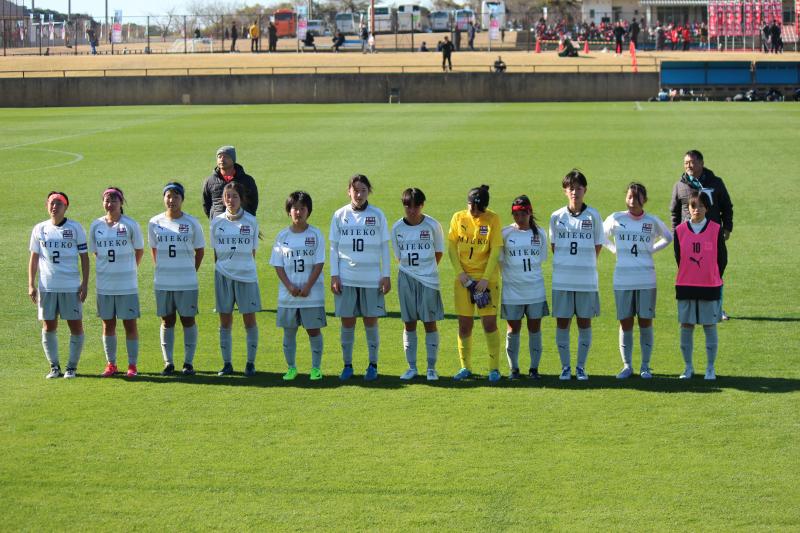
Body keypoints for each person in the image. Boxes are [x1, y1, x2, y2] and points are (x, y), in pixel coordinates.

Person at [603, 183, 672, 379]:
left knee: (645, 322)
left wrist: (651, 250)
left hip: (646, 279)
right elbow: (600, 236)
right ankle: (627, 366)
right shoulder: (616, 218)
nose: (633, 201)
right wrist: (614, 249)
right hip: (623, 279)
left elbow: (668, 237)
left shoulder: (651, 221)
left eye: (637, 197)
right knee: (625, 322)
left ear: (645, 200)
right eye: (630, 196)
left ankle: (645, 366)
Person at [329, 174, 391, 381]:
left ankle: (373, 365)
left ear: (368, 192)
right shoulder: (339, 215)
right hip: (346, 278)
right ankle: (347, 366)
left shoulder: (378, 215)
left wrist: (386, 275)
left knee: (370, 322)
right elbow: (333, 247)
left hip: (371, 279)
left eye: (363, 190)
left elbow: (384, 247)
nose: (359, 194)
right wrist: (334, 275)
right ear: (349, 191)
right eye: (355, 190)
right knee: (347, 323)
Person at [549, 170, 604, 381]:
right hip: (562, 280)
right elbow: (554, 246)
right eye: (571, 188)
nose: (575, 192)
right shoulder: (556, 216)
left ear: (585, 190)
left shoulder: (593, 216)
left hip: (586, 281)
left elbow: (597, 246)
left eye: (578, 188)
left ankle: (580, 367)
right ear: (565, 191)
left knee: (584, 323)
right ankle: (565, 367)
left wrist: (584, 263)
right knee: (562, 323)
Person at [28, 191, 89, 379]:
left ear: (66, 207)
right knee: (48, 327)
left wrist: (85, 283)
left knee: (76, 327)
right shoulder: (39, 229)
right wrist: (31, 284)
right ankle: (54, 367)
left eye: (58, 203)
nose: (54, 206)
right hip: (47, 287)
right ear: (47, 205)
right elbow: (34, 258)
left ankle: (72, 367)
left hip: (70, 286)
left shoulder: (75, 228)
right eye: (51, 203)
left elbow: (84, 258)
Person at [448, 185, 504, 382]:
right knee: (464, 325)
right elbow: (451, 246)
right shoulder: (458, 218)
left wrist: (486, 278)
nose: (474, 212)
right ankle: (465, 367)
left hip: (486, 281)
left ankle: (494, 369)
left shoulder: (493, 219)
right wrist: (460, 274)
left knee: (489, 324)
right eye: (471, 206)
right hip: (463, 280)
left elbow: (495, 250)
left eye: (478, 209)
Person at [148, 182, 205, 376]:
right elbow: (154, 250)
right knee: (167, 320)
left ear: (182, 199)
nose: (171, 200)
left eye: (176, 196)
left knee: (188, 320)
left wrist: (191, 271)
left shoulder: (192, 223)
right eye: (168, 196)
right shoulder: (154, 222)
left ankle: (188, 363)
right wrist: (162, 269)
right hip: (163, 281)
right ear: (163, 198)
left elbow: (200, 251)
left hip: (187, 281)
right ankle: (169, 362)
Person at [669, 150, 733, 319]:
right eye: (686, 163)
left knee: (716, 270)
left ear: (701, 163)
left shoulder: (715, 182)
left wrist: (727, 228)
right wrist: (676, 233)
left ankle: (717, 307)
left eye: (692, 162)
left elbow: (726, 206)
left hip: (711, 236)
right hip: (688, 239)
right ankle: (694, 307)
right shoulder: (680, 185)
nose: (688, 166)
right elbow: (674, 212)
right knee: (690, 272)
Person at [89, 187, 144, 378]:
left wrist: (129, 268)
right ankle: (111, 364)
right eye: (107, 200)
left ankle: (132, 365)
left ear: (121, 203)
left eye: (114, 200)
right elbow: (96, 252)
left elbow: (139, 250)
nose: (110, 204)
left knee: (130, 325)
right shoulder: (96, 225)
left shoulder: (130, 224)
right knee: (108, 325)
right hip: (104, 285)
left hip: (126, 285)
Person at [271, 191, 326, 381]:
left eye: (303, 208)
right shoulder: (282, 236)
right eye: (295, 208)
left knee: (313, 331)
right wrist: (289, 286)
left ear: (308, 211)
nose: (298, 212)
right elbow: (278, 265)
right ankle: (291, 368)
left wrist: (308, 286)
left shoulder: (316, 234)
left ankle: (316, 368)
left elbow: (319, 263)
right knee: (289, 332)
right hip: (288, 296)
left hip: (312, 295)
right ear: (289, 211)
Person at [391, 188, 445, 381]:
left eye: (416, 206)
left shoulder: (432, 225)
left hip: (428, 279)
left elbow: (438, 252)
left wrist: (425, 270)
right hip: (406, 278)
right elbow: (398, 256)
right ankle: (412, 367)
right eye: (408, 206)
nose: (412, 210)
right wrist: (412, 271)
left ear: (422, 205)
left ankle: (431, 368)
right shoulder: (397, 228)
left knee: (430, 322)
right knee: (409, 323)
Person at [674, 191, 727, 380]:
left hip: (709, 287)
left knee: (709, 326)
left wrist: (711, 275)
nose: (697, 209)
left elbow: (722, 258)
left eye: (701, 206)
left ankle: (710, 368)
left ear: (707, 208)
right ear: (688, 208)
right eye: (693, 206)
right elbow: (679, 258)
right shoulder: (680, 230)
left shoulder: (716, 229)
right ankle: (688, 368)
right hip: (686, 286)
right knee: (686, 326)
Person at [211, 182, 261, 377]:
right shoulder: (216, 222)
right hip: (223, 275)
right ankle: (227, 364)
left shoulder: (251, 221)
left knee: (249, 321)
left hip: (246, 276)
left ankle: (250, 363)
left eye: (234, 196)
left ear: (241, 199)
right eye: (227, 196)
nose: (230, 200)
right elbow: (216, 252)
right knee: (225, 322)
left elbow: (252, 252)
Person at [500, 195, 549, 380]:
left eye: (522, 214)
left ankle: (534, 369)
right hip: (512, 291)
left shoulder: (540, 234)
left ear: (530, 212)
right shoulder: (505, 234)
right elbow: (499, 261)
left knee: (535, 329)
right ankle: (514, 369)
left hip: (535, 290)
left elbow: (541, 259)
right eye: (515, 214)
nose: (519, 218)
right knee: (513, 329)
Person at [202, 146, 258, 220]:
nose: (222, 159)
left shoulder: (247, 180)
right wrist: (213, 217)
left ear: (233, 159)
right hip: (219, 221)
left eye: (226, 157)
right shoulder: (210, 180)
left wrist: (248, 217)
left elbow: (253, 202)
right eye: (219, 157)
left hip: (242, 220)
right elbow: (206, 203)